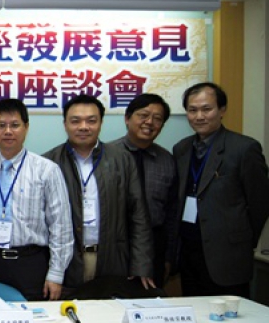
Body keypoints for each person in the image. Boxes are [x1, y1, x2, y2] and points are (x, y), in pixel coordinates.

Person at [44, 94, 155, 298]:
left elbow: (138, 214)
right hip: (68, 262)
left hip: (112, 259)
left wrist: (141, 264)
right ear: (65, 124)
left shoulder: (122, 160)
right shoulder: (49, 163)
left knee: (109, 313)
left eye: (91, 120)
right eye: (75, 121)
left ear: (101, 123)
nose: (83, 127)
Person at [0, 99, 73, 301]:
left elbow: (61, 225)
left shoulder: (47, 170)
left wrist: (56, 273)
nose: (8, 131)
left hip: (31, 264)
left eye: (15, 125)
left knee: (34, 319)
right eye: (1, 125)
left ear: (26, 127)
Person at [174, 82, 269, 298]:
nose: (199, 116)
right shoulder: (182, 148)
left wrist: (242, 240)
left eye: (206, 109)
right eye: (192, 110)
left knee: (230, 316)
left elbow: (260, 203)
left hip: (228, 255)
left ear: (222, 110)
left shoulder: (244, 148)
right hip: (189, 252)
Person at [109, 94, 178, 288]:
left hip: (155, 245)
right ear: (127, 118)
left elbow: (172, 212)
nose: (149, 122)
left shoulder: (168, 160)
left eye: (157, 118)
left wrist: (169, 257)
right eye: (143, 115)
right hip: (114, 245)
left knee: (150, 300)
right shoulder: (106, 155)